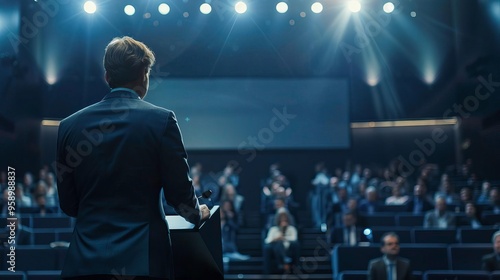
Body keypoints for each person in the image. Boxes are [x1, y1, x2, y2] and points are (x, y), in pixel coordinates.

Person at [55, 36, 210, 280]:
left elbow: (69, 205)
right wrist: (197, 213)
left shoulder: (68, 126)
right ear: (143, 76)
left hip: (83, 264)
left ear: (107, 77)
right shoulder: (162, 121)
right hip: (144, 263)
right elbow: (179, 196)